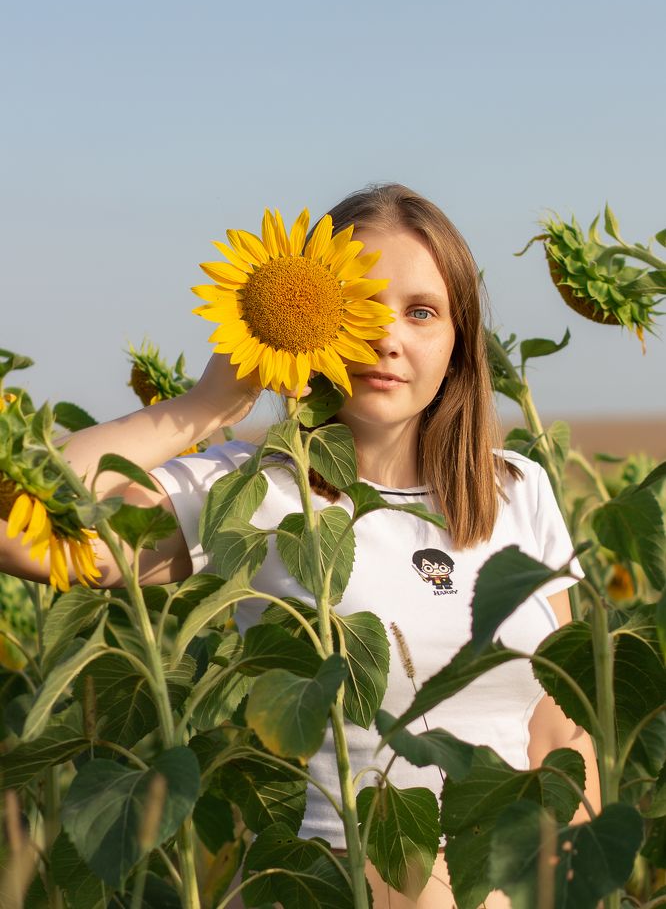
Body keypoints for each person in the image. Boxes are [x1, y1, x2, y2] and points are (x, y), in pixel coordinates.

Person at [1, 184, 600, 908]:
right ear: (313, 321)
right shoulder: (248, 490)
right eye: (359, 307)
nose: (388, 337)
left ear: (458, 339)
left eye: (421, 311)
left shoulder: (516, 490)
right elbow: (18, 530)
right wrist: (203, 406)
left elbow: (557, 728)